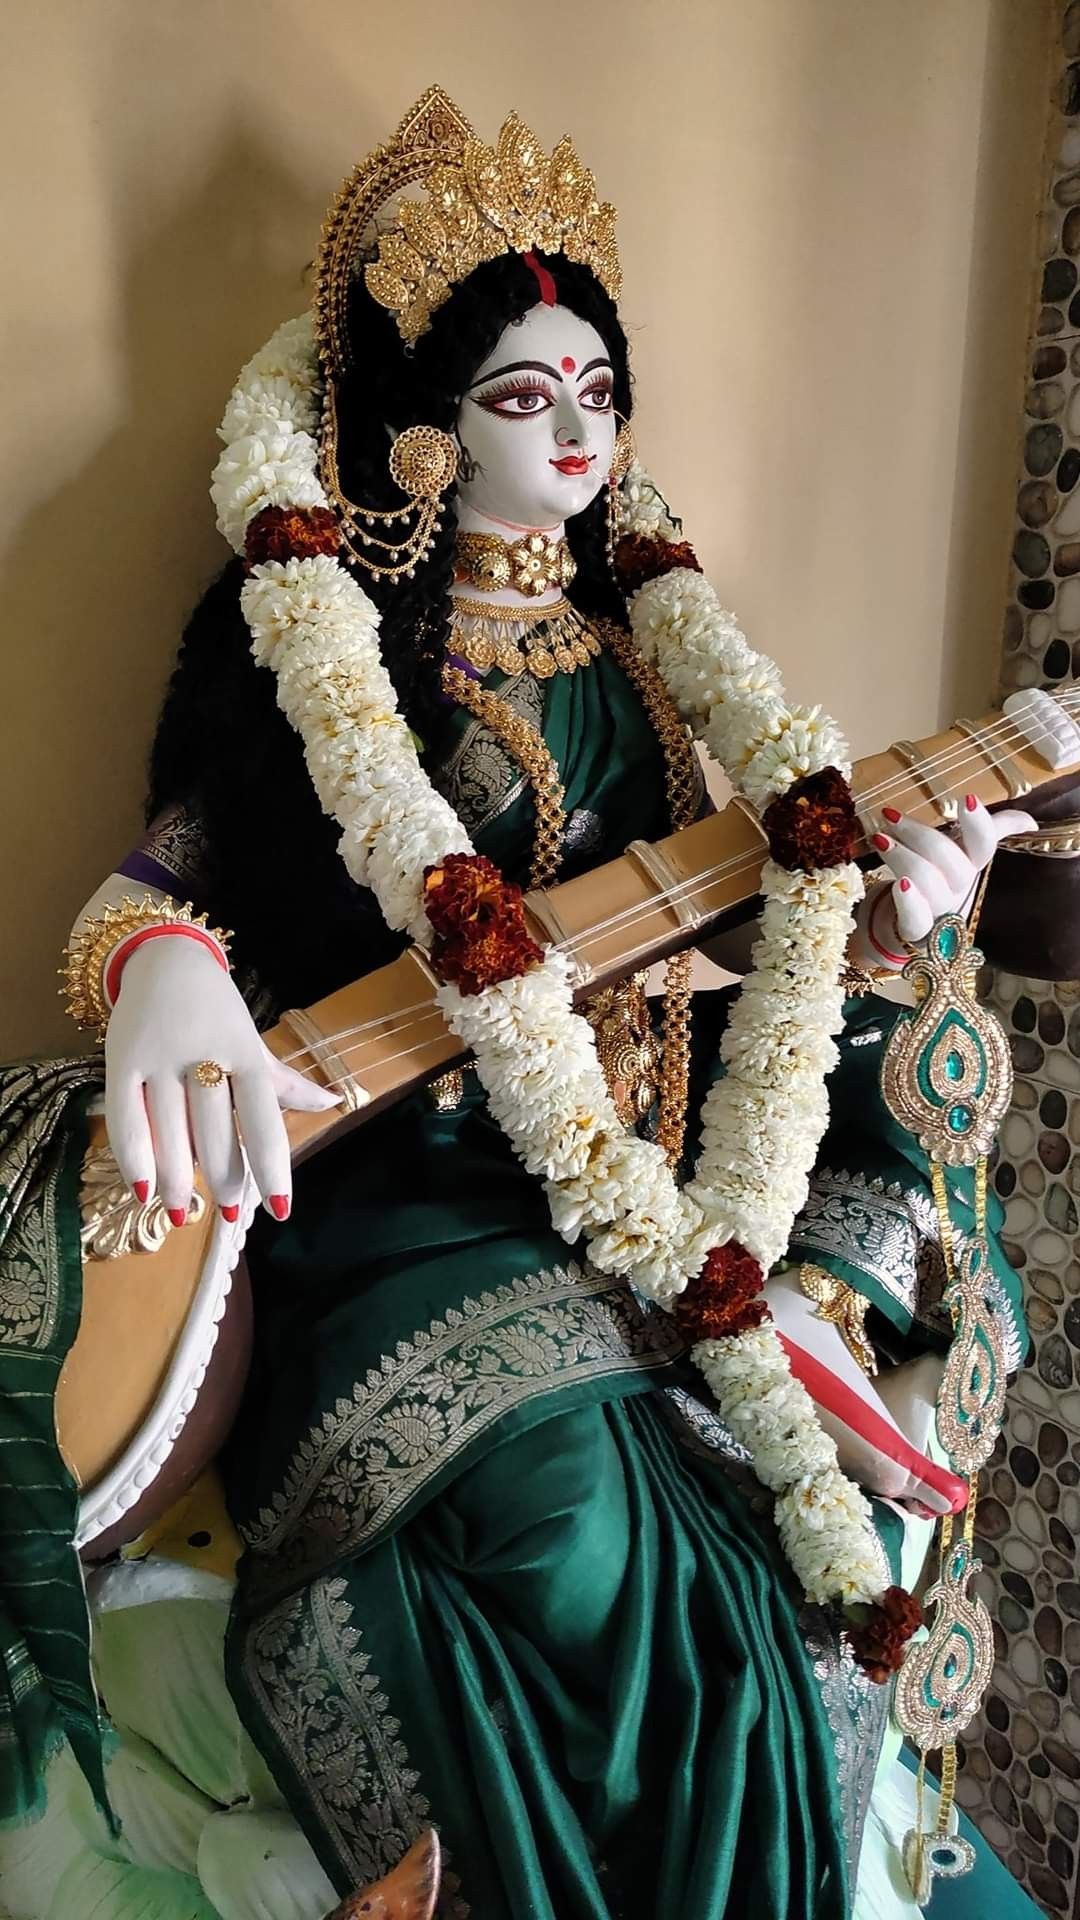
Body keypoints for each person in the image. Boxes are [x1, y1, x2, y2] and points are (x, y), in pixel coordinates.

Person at [0, 87, 1057, 1920]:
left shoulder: (655, 657)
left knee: (791, 1449)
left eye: (597, 393)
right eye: (520, 394)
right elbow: (166, 878)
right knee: (568, 1521)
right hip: (414, 1203)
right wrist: (164, 975)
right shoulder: (339, 657)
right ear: (422, 432)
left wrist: (885, 918)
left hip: (656, 1178)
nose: (574, 430)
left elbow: (738, 934)